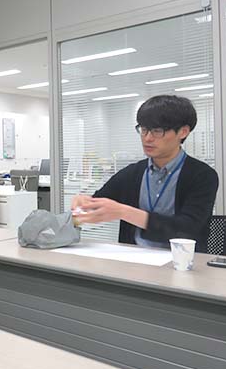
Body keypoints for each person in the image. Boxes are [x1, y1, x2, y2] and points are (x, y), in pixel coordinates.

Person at [71, 95, 218, 253]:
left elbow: (187, 228)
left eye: (157, 131)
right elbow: (97, 203)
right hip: (135, 259)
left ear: (183, 132)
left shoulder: (202, 175)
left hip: (182, 260)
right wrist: (84, 203)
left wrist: (124, 212)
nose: (147, 138)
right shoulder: (131, 174)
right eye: (144, 130)